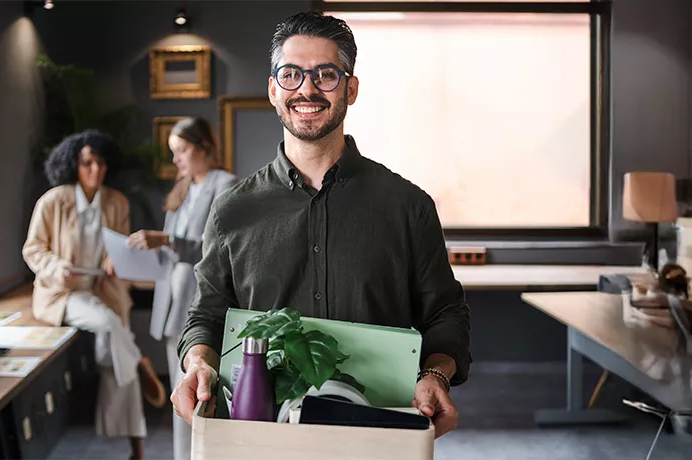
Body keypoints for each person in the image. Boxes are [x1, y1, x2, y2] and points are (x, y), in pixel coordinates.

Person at [171, 11, 471, 438]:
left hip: (378, 431)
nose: (306, 89)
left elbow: (445, 314)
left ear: (350, 89)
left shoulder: (409, 205)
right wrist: (199, 364)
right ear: (273, 89)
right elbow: (207, 315)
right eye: (291, 74)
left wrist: (436, 375)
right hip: (261, 435)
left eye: (325, 74)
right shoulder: (231, 210)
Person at [22, 129, 165, 460]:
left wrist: (114, 258)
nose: (95, 170)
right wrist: (58, 266)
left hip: (105, 290)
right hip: (63, 294)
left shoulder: (117, 202)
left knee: (113, 356)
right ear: (74, 164)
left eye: (100, 163)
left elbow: (121, 247)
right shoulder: (53, 201)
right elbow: (33, 250)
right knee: (113, 329)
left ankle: (136, 448)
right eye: (87, 162)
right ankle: (137, 436)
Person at [126, 117, 238, 460]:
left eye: (182, 150)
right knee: (180, 394)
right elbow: (170, 252)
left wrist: (167, 240)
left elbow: (217, 248)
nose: (176, 160)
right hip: (172, 300)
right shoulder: (183, 189)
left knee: (198, 390)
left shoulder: (226, 184)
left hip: (200, 302)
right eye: (172, 152)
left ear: (205, 147)